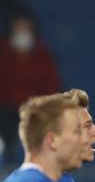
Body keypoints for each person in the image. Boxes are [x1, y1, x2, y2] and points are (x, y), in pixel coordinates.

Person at [0, 16, 61, 165]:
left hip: (34, 108)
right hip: (5, 108)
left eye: (25, 30)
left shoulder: (42, 55)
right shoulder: (3, 53)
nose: (22, 34)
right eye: (18, 30)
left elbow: (52, 84)